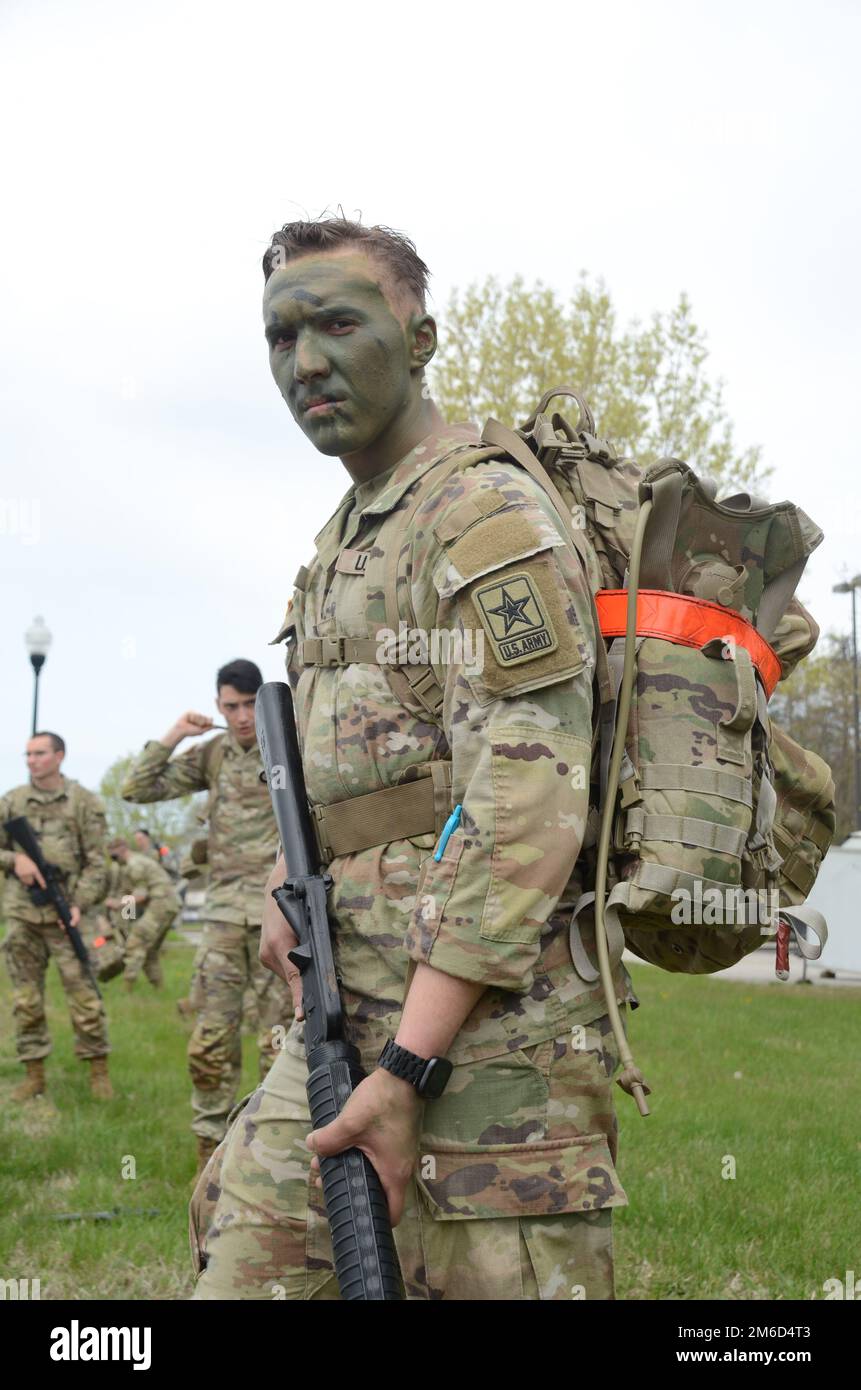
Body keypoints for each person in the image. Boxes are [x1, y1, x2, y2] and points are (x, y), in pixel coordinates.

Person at [190, 217, 634, 1300]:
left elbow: (526, 800)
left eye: (338, 323)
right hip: (340, 1015)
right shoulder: (347, 535)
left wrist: (406, 1068)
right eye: (282, 337)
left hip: (481, 1056)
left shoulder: (483, 512)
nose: (307, 363)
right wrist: (282, 889)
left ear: (421, 334)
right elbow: (354, 778)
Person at [121, 660, 292, 1171]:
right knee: (212, 1037)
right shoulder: (213, 754)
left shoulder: (288, 744)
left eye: (247, 705)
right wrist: (176, 733)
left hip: (278, 916)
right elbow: (136, 788)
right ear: (219, 707)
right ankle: (209, 1153)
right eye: (230, 707)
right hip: (221, 918)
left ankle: (268, 1153)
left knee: (278, 1041)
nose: (241, 717)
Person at [0, 731, 113, 1100]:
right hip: (23, 914)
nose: (32, 760)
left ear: (60, 756)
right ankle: (34, 1074)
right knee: (26, 999)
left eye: (40, 753)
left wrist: (78, 902)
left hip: (68, 917)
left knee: (85, 999)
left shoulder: (83, 802)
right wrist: (14, 859)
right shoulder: (12, 801)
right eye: (28, 754)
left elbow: (98, 861)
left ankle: (98, 1073)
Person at [105, 837, 180, 990]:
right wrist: (126, 925)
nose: (113, 860)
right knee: (149, 950)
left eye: (114, 856)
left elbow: (140, 895)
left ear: (122, 850)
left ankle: (127, 989)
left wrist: (117, 903)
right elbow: (129, 895)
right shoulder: (127, 867)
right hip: (166, 904)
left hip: (162, 903)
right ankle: (159, 989)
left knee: (135, 943)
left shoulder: (135, 864)